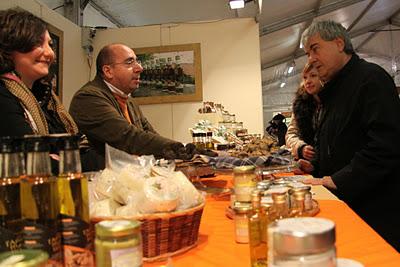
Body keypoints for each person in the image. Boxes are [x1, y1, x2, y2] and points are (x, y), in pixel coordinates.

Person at [300, 20, 400, 251]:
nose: (310, 59)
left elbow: (385, 145)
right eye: (307, 53)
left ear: (339, 43)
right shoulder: (334, 88)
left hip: (375, 208)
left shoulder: (370, 79)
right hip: (348, 202)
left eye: (315, 49)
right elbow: (336, 140)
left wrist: (335, 180)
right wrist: (314, 166)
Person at [69, 43, 183, 167]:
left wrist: (180, 151)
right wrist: (177, 149)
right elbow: (129, 137)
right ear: (108, 71)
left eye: (137, 62)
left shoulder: (129, 100)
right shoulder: (88, 98)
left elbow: (149, 134)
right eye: (129, 63)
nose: (139, 68)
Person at [285, 63, 323, 160]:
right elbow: (291, 134)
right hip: (308, 162)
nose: (308, 81)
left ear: (323, 76)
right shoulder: (300, 105)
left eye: (313, 76)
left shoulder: (333, 102)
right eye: (305, 78)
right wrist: (300, 147)